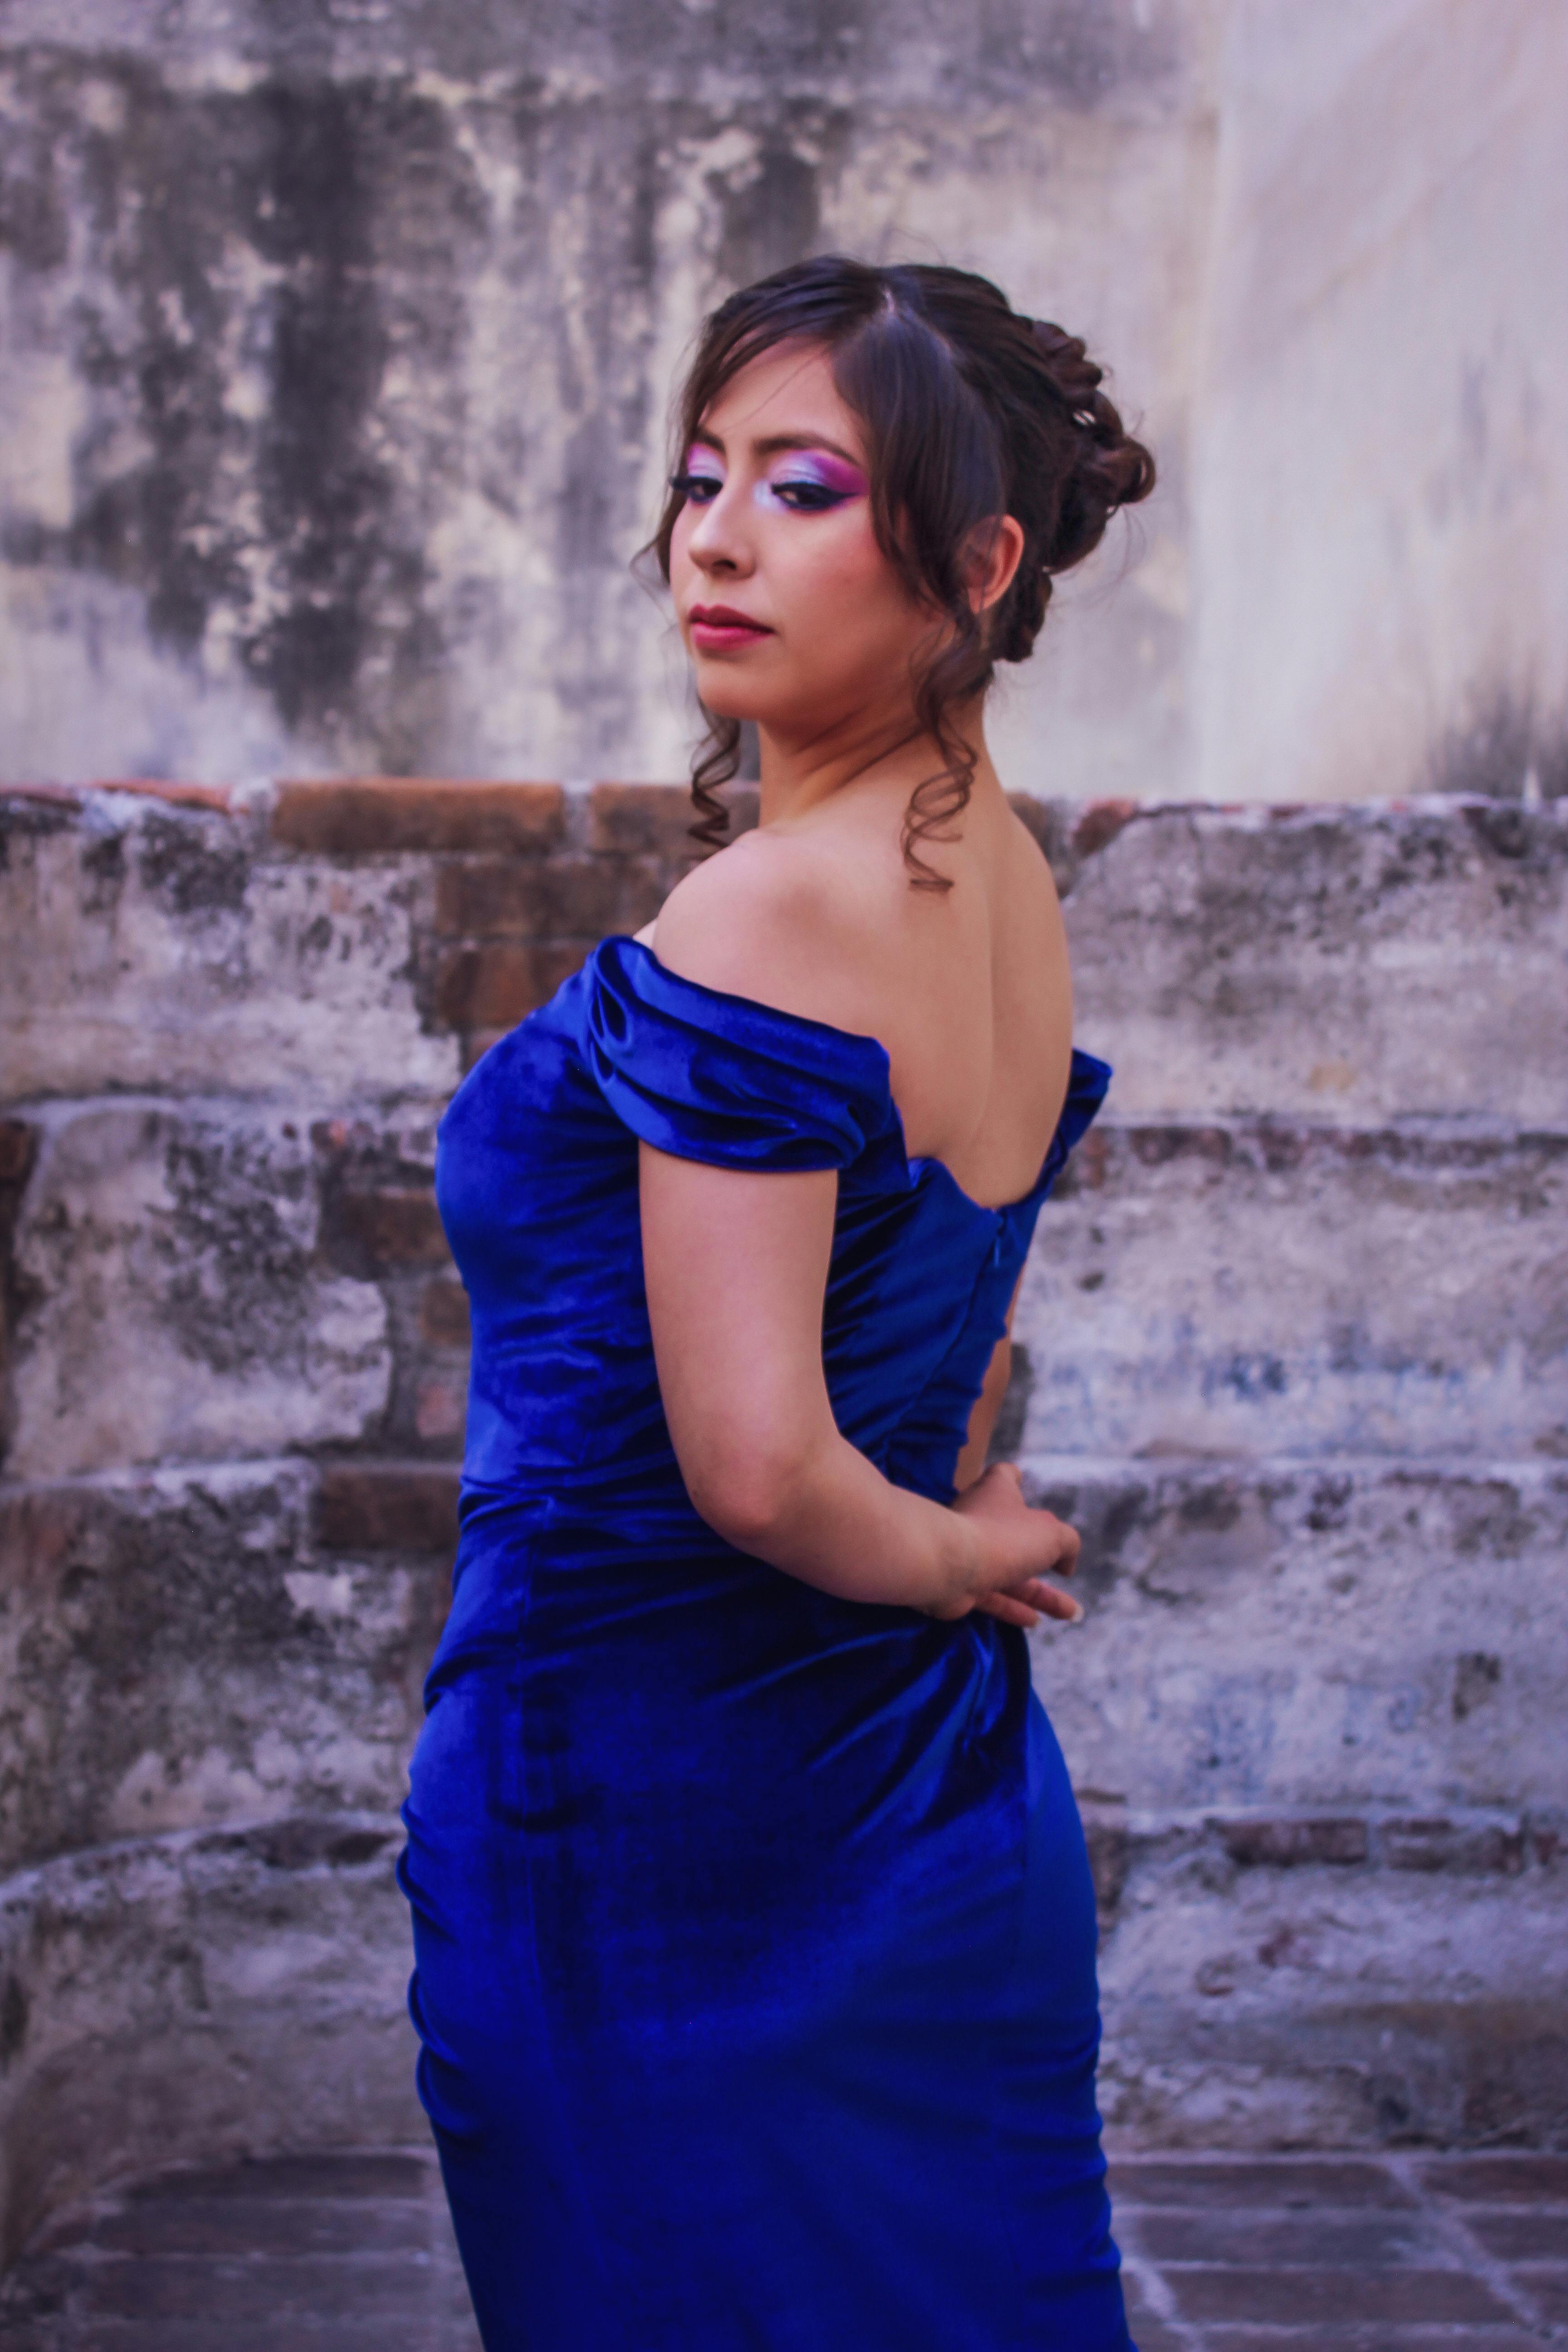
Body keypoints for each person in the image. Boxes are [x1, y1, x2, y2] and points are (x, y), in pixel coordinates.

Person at [398, 255, 1156, 2352]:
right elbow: (951, 1333)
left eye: (806, 486)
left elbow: (756, 1466)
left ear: (980, 559)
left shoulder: (769, 908)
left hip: (651, 1831)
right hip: (932, 1821)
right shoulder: (1003, 880)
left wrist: (957, 1551)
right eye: (703, 472)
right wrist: (945, 1522)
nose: (718, 535)